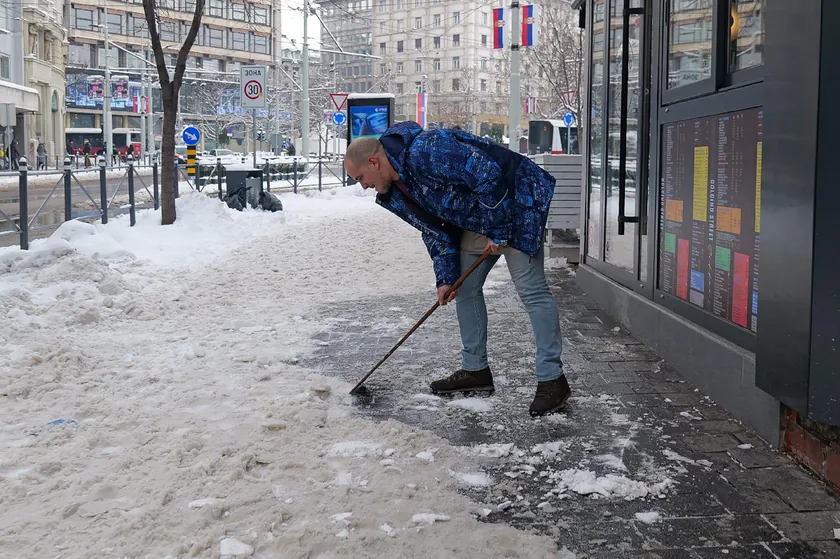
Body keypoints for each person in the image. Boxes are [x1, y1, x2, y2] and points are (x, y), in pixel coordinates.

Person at [344, 122, 569, 416]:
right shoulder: (395, 191)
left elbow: (487, 174)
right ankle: (476, 372)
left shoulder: (427, 150)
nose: (363, 185)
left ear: (374, 161)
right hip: (481, 217)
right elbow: (434, 230)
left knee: (532, 290)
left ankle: (553, 379)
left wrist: (499, 229)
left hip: (515, 200)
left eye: (360, 177)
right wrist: (446, 277)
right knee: (464, 288)